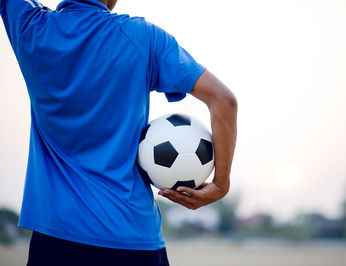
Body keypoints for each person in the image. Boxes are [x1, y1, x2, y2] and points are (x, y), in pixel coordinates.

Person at [0, 0, 237, 265]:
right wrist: (220, 184)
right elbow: (223, 101)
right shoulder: (143, 37)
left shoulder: (31, 28)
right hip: (132, 241)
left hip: (56, 239)